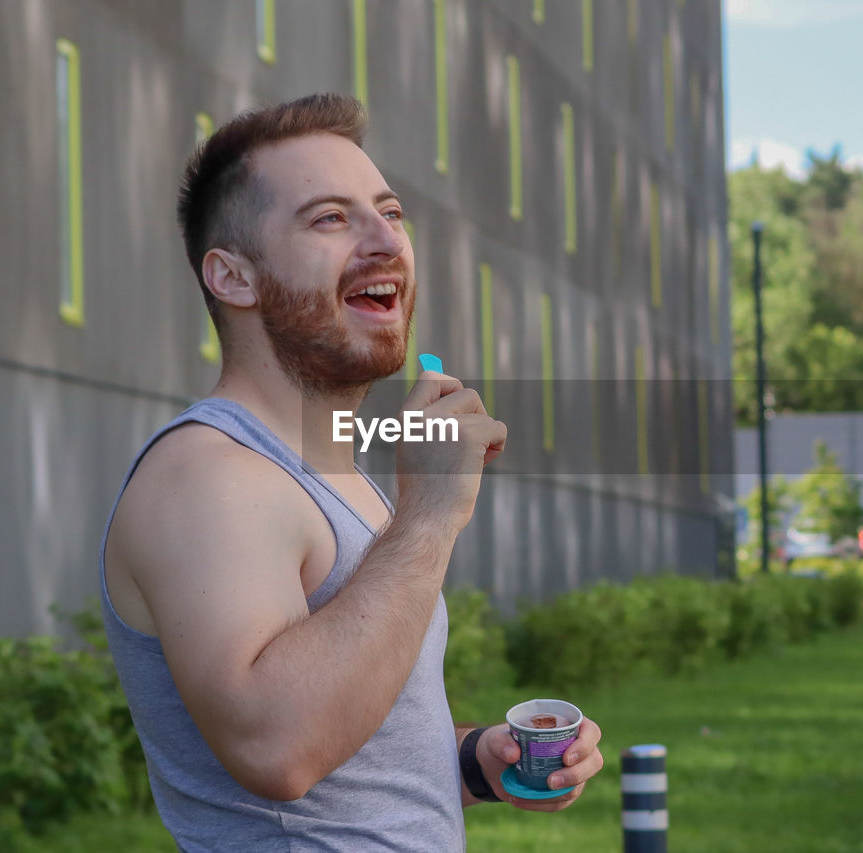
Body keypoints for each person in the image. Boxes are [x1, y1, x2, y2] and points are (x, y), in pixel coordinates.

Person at [98, 93, 604, 851]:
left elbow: (350, 746)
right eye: (331, 219)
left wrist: (472, 759)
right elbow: (276, 747)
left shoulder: (335, 473)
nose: (385, 242)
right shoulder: (210, 476)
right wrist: (430, 519)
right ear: (234, 277)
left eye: (391, 213)